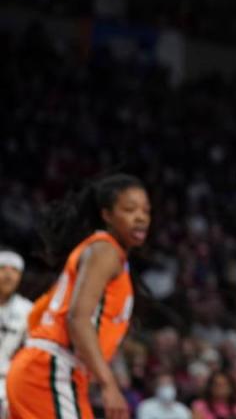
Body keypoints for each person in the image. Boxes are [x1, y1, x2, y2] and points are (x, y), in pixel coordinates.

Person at [6, 174, 151, 419]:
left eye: (146, 211)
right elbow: (77, 319)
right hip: (51, 370)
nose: (141, 217)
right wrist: (108, 384)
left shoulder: (99, 252)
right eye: (129, 209)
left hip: (45, 368)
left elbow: (38, 314)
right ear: (107, 215)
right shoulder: (106, 250)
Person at [0, 249, 32, 419]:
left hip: (8, 384)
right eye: (3, 268)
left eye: (14, 270)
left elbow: (31, 352)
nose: (8, 275)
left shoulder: (27, 310)